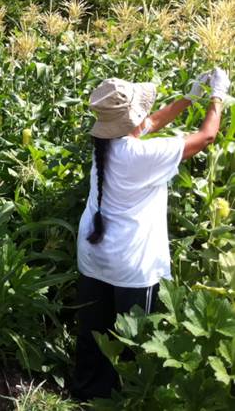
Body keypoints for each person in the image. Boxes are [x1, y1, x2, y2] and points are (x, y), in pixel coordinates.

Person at [70, 68, 230, 400]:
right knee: (136, 342)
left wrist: (189, 98)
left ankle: (86, 396)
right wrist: (218, 95)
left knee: (93, 334)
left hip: (93, 253)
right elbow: (206, 137)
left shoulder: (104, 142)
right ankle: (130, 401)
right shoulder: (141, 155)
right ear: (129, 118)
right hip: (131, 264)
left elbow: (150, 123)